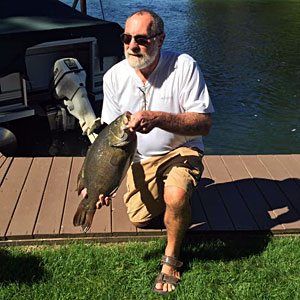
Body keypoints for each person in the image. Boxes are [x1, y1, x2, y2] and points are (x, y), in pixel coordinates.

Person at [82, 9, 214, 295]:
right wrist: (103, 181)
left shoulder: (184, 66)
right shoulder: (115, 76)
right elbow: (110, 141)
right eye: (126, 38)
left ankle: (171, 260)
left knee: (175, 196)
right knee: (140, 219)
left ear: (160, 39)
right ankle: (178, 202)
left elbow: (204, 124)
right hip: (141, 159)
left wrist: (158, 118)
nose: (132, 46)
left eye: (141, 39)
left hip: (182, 149)